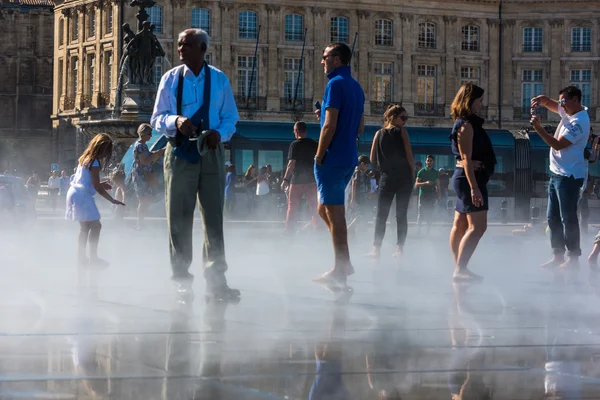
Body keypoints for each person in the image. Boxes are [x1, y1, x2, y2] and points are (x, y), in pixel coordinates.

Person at [151, 28, 240, 300]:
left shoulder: (220, 79)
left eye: (186, 45)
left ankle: (216, 280)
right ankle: (181, 280)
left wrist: (219, 134)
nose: (180, 50)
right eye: (179, 45)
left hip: (211, 151)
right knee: (178, 217)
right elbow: (156, 118)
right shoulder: (170, 79)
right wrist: (175, 121)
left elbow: (230, 119)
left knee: (213, 217)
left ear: (203, 48)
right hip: (178, 151)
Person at [313, 42, 365, 287]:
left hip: (332, 157)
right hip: (348, 156)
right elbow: (360, 126)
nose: (322, 61)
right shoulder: (356, 87)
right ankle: (344, 257)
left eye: (324, 57)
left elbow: (329, 126)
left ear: (336, 58)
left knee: (334, 213)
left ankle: (341, 266)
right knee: (324, 210)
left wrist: (319, 154)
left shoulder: (334, 84)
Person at [531, 86, 590, 269]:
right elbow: (551, 103)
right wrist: (541, 99)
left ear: (575, 100)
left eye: (564, 101)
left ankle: (573, 258)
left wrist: (539, 128)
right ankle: (557, 255)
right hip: (557, 173)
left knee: (568, 218)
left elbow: (557, 144)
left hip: (569, 176)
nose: (561, 104)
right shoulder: (570, 111)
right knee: (552, 217)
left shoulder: (579, 122)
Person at [449, 83, 496, 282]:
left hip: (467, 178)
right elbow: (466, 158)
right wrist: (474, 188)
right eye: (479, 100)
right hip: (471, 180)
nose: (481, 104)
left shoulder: (467, 123)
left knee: (460, 225)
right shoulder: (466, 125)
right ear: (469, 101)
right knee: (478, 227)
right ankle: (460, 268)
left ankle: (460, 266)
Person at [65, 134, 125, 267]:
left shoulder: (85, 158)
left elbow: (87, 181)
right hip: (82, 196)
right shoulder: (95, 162)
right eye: (107, 150)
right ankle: (93, 259)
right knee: (96, 226)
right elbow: (96, 186)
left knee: (84, 228)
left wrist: (100, 183)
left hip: (74, 192)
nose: (106, 154)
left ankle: (81, 259)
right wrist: (112, 200)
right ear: (102, 148)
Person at [368, 105, 415, 260]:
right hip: (403, 178)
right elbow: (409, 156)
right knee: (400, 214)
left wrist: (384, 163)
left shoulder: (378, 133)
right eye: (403, 118)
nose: (405, 122)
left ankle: (376, 248)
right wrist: (412, 175)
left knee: (382, 213)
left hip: (386, 177)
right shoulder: (401, 132)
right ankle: (399, 248)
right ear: (393, 117)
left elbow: (371, 158)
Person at [281, 121, 319, 233]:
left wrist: (285, 180)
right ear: (305, 130)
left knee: (292, 207)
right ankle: (318, 232)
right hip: (312, 181)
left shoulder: (294, 145)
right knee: (314, 208)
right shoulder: (314, 144)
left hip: (297, 181)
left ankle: (289, 232)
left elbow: (291, 164)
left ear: (296, 131)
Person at [132, 123, 165, 229]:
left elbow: (147, 155)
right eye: (149, 134)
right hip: (143, 176)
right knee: (144, 199)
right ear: (143, 134)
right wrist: (157, 154)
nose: (151, 136)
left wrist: (157, 152)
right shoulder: (140, 145)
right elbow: (145, 161)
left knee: (145, 199)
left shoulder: (142, 145)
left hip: (145, 175)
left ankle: (141, 222)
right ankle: (140, 223)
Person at [415, 155, 440, 235]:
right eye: (427, 160)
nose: (429, 162)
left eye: (430, 161)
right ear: (425, 161)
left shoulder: (435, 173)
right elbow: (416, 184)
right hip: (423, 195)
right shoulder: (421, 172)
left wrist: (439, 195)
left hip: (431, 196)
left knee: (430, 213)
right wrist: (425, 183)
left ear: (433, 162)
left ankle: (428, 232)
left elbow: (438, 185)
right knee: (421, 213)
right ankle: (418, 231)